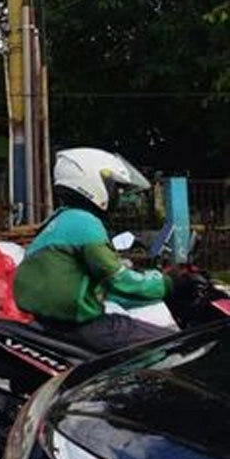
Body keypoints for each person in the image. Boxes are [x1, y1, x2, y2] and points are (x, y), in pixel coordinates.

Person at [13, 148, 174, 353]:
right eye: (116, 188)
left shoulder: (58, 220)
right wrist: (169, 283)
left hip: (50, 325)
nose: (118, 195)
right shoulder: (84, 222)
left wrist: (152, 289)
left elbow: (102, 286)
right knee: (169, 346)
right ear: (92, 182)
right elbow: (119, 279)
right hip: (81, 328)